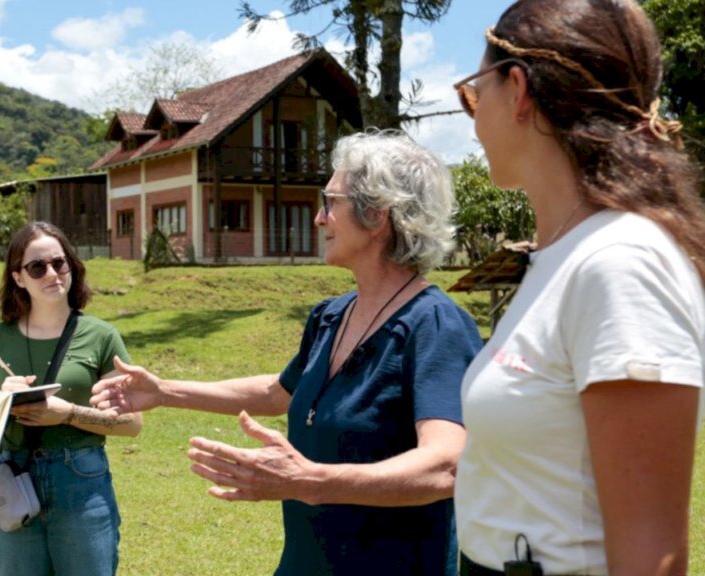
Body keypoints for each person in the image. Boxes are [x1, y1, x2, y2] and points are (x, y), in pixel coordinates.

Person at [92, 130, 484, 575]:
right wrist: (163, 391)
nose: (319, 218)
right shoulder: (331, 317)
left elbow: (446, 465)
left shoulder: (434, 325)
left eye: (329, 201)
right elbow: (277, 394)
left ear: (376, 214)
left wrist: (309, 481)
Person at [451, 1, 705, 574]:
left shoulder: (620, 264)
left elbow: (651, 555)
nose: (471, 117)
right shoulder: (564, 256)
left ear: (518, 89)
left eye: (474, 92)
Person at [0, 221, 141, 576]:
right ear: (19, 277)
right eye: (37, 267)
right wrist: (0, 399)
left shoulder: (102, 336)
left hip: (80, 479)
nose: (51, 273)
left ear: (72, 266)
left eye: (59, 262)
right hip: (15, 475)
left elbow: (132, 424)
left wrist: (68, 413)